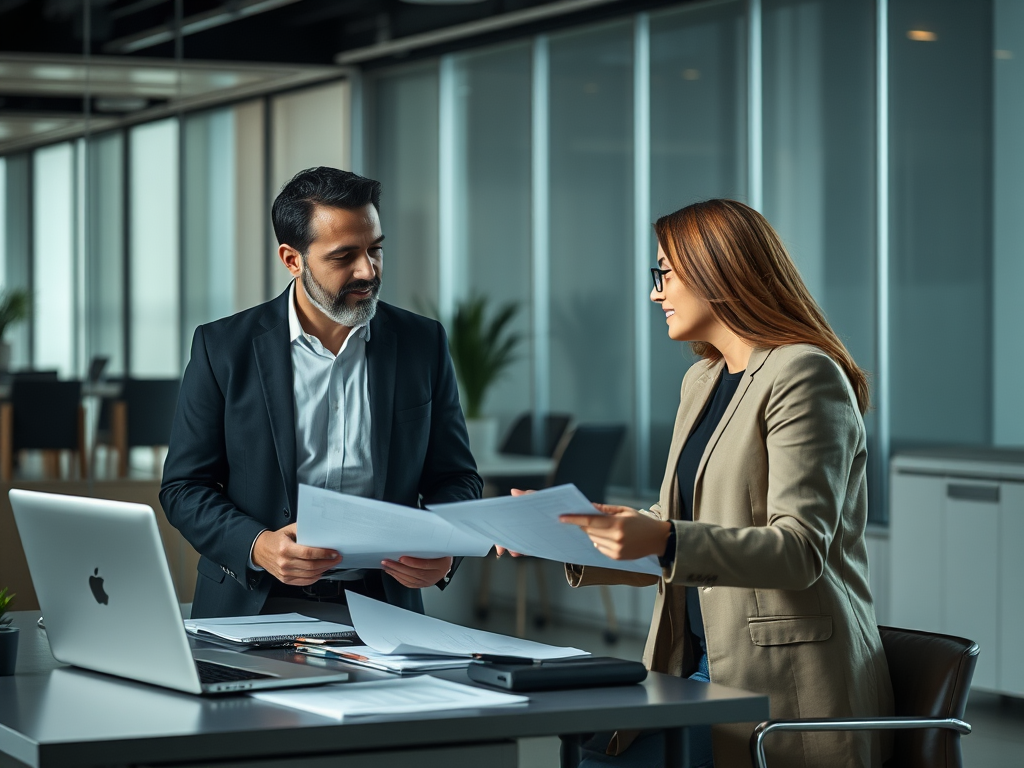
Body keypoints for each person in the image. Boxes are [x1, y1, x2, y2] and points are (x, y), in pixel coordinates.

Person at [551, 199, 893, 767]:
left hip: (778, 682)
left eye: (664, 272)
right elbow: (673, 528)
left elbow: (799, 549)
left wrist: (660, 538)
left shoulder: (803, 374)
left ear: (717, 272)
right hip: (691, 666)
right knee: (594, 756)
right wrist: (560, 534)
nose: (656, 292)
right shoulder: (702, 379)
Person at [160, 167, 482, 621]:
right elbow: (184, 487)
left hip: (384, 608)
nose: (367, 270)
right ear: (293, 260)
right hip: (250, 606)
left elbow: (456, 477)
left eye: (375, 250)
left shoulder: (421, 342)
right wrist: (257, 545)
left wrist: (445, 546)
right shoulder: (222, 348)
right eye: (344, 256)